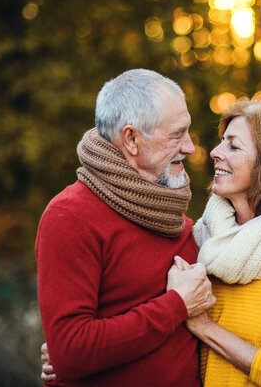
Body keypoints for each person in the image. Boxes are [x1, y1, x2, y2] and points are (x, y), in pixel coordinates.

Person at [42, 96, 261, 386]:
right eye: (222, 141)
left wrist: (206, 329)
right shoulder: (200, 239)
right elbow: (144, 324)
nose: (214, 152)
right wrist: (68, 353)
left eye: (233, 145)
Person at [35, 69, 216, 387]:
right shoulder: (70, 217)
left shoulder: (181, 223)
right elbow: (72, 351)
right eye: (177, 134)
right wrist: (175, 304)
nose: (189, 147)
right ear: (131, 139)